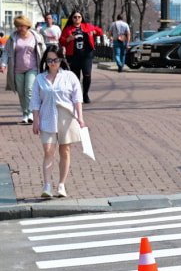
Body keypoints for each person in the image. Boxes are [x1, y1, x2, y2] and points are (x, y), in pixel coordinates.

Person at [30, 44, 86, 199]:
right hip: (47, 117)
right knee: (48, 150)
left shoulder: (69, 76)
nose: (52, 63)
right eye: (49, 60)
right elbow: (35, 101)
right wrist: (36, 120)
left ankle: (61, 184)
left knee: (65, 151)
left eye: (55, 60)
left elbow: (77, 98)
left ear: (61, 59)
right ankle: (47, 185)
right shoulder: (39, 79)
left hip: (66, 117)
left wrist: (80, 117)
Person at [58, 11, 104, 104]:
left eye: (79, 17)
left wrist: (94, 32)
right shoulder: (68, 29)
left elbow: (100, 31)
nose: (77, 19)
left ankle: (85, 94)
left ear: (82, 18)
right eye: (75, 17)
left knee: (87, 75)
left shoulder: (87, 26)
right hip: (73, 55)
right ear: (72, 18)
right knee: (75, 77)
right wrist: (69, 39)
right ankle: (76, 95)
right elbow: (62, 41)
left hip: (87, 55)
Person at [2, 16, 41, 123]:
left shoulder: (36, 37)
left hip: (32, 67)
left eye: (22, 26)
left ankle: (31, 113)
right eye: (18, 26)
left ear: (27, 26)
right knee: (20, 92)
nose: (20, 28)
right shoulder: (13, 38)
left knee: (29, 90)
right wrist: (3, 64)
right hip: (17, 69)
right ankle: (25, 114)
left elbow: (42, 51)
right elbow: (6, 52)